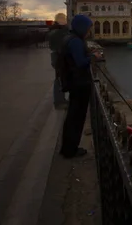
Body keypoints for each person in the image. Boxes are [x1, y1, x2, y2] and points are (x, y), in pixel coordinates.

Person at [58, 14, 102, 158]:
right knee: (76, 118)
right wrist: (93, 57)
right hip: (79, 84)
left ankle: (68, 148)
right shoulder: (76, 42)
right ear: (82, 27)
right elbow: (81, 62)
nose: (89, 32)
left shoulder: (70, 39)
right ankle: (70, 150)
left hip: (74, 83)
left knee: (72, 117)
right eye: (88, 28)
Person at [46, 22, 70, 109]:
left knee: (58, 79)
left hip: (55, 57)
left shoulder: (53, 34)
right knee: (59, 80)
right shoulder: (58, 35)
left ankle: (60, 100)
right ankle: (59, 102)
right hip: (58, 58)